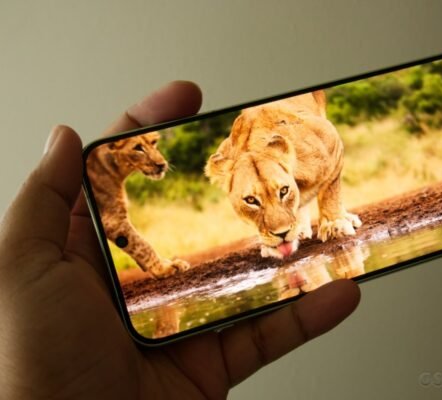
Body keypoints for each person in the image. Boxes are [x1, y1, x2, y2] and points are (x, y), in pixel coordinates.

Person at [0, 81, 361, 399]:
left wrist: (330, 212)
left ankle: (290, 203)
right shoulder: (227, 162)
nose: (277, 226)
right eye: (250, 202)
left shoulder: (309, 146)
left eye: (283, 192)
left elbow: (331, 139)